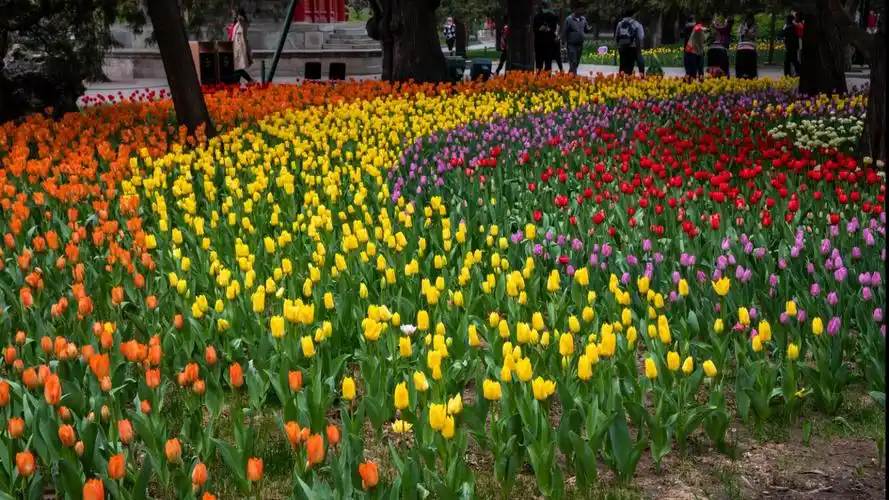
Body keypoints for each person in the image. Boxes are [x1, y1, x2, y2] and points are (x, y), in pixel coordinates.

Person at [562, 3, 592, 75]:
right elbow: (565, 31)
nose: (582, 11)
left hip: (580, 44)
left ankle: (569, 75)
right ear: (575, 10)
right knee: (573, 61)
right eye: (580, 10)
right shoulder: (569, 19)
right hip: (571, 44)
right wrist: (563, 42)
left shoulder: (583, 19)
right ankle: (574, 77)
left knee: (577, 61)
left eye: (583, 10)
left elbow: (586, 29)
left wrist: (590, 29)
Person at [533, 2, 560, 72]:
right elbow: (534, 29)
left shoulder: (552, 16)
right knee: (539, 63)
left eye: (547, 6)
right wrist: (539, 29)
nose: (545, 8)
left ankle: (547, 78)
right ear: (542, 7)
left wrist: (548, 29)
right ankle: (538, 78)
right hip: (539, 43)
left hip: (549, 43)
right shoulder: (537, 17)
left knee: (548, 63)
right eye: (545, 6)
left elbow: (554, 29)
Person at [615, 11, 642, 76]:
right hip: (632, 46)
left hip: (622, 46)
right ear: (632, 15)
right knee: (630, 65)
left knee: (622, 64)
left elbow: (617, 36)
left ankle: (620, 80)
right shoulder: (636, 24)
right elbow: (640, 36)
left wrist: (619, 45)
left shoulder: (620, 23)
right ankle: (628, 80)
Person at [232, 8, 254, 84]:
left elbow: (242, 25)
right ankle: (238, 82)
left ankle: (248, 80)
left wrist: (240, 18)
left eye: (235, 13)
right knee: (237, 67)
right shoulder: (237, 24)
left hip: (240, 47)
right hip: (235, 47)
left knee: (238, 67)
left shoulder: (242, 22)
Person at [735, 14, 758, 79]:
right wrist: (743, 33)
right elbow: (738, 35)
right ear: (746, 20)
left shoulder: (755, 27)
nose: (749, 21)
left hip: (751, 45)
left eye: (751, 20)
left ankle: (752, 74)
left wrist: (749, 34)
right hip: (742, 45)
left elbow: (755, 37)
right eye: (748, 20)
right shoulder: (742, 26)